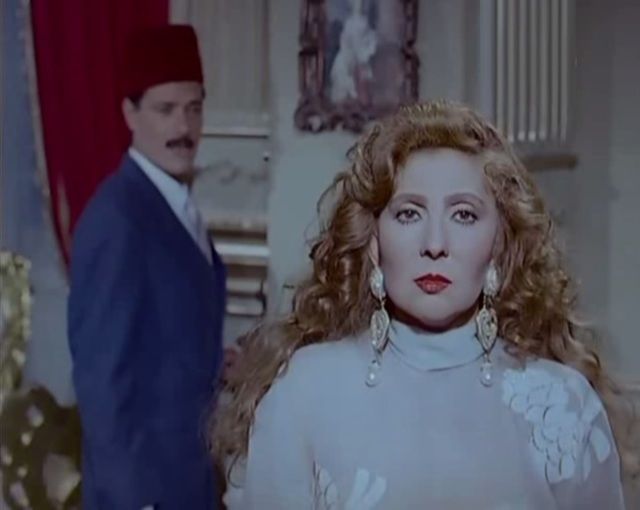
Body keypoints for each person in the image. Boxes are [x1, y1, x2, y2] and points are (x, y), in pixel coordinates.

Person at [212, 100, 636, 509]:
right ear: (374, 242)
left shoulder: (564, 405)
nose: (435, 244)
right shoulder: (305, 391)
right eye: (409, 214)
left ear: (499, 244)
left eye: (464, 215)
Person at [68, 25, 226, 509]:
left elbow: (163, 344)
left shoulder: (174, 205)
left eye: (194, 108)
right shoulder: (117, 219)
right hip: (142, 495)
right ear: (129, 113)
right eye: (165, 109)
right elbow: (102, 388)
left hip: (190, 482)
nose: (184, 127)